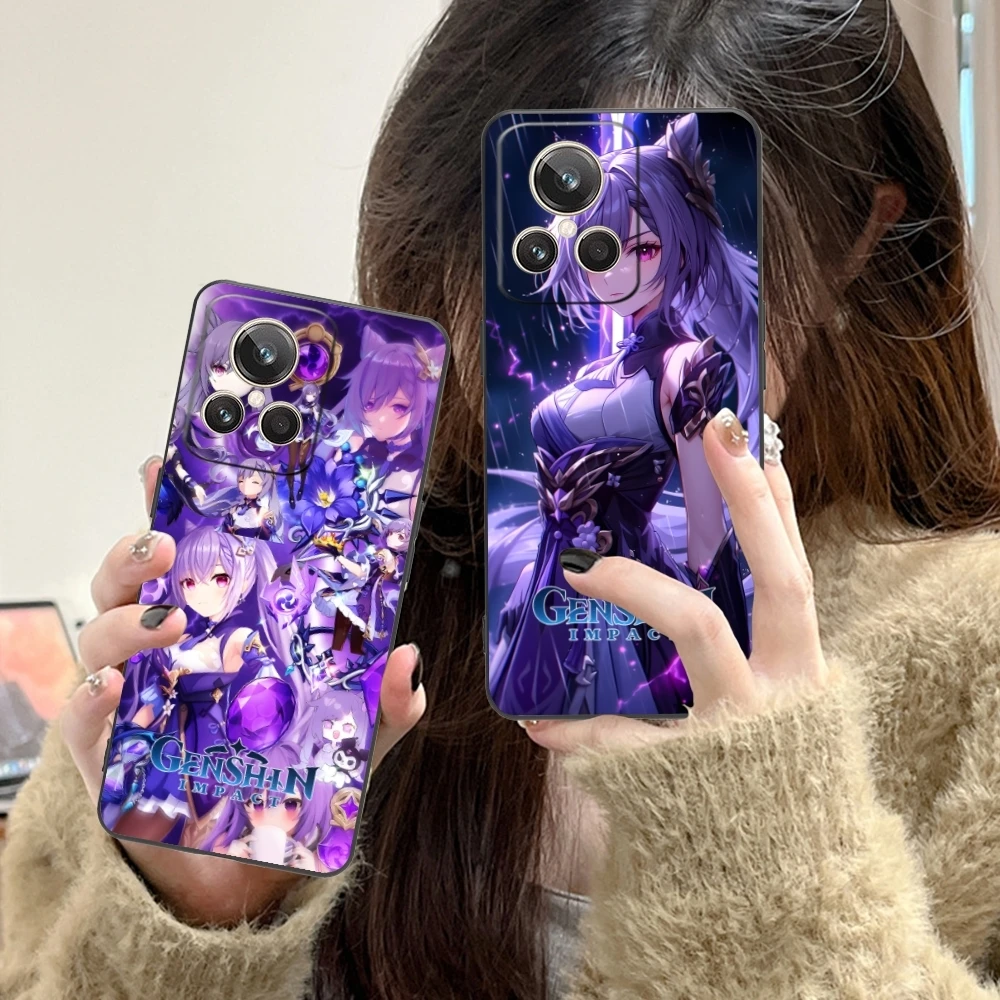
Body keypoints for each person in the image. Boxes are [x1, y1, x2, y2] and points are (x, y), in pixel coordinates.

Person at [3, 2, 1000, 999]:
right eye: (527, 249)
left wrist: (771, 861)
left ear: (851, 240)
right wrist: (196, 925)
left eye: (655, 248)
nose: (588, 317)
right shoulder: (307, 591)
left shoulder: (975, 652)